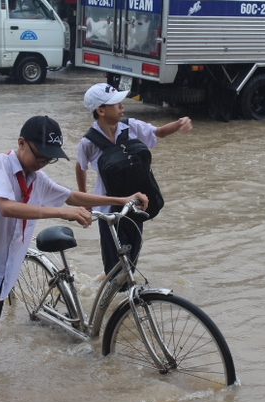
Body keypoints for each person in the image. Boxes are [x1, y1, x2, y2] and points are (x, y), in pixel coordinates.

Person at [0, 115, 148, 377]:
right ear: (21, 143)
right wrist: (60, 213)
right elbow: (7, 207)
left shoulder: (37, 178)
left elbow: (71, 196)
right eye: (40, 156)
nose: (43, 163)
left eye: (49, 159)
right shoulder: (1, 165)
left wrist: (122, 198)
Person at [75, 83, 193, 277]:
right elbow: (81, 166)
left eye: (121, 102)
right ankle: (111, 295)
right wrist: (85, 199)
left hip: (137, 204)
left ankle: (115, 290)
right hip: (109, 210)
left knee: (131, 260)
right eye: (116, 104)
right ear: (100, 110)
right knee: (116, 265)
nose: (122, 106)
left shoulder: (132, 127)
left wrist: (179, 124)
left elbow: (159, 132)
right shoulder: (89, 142)